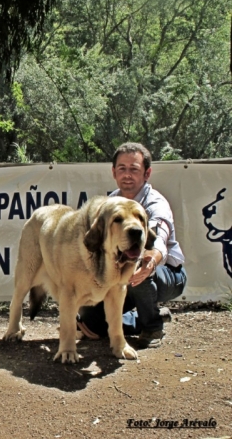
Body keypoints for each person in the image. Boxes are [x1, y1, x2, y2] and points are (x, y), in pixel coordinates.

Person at [77, 142, 187, 348]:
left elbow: (159, 241)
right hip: (121, 276)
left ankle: (152, 326)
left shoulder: (156, 203)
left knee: (136, 264)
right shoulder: (110, 202)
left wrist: (150, 262)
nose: (127, 175)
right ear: (114, 172)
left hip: (168, 274)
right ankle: (144, 318)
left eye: (134, 169)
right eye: (122, 169)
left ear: (147, 173)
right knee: (90, 321)